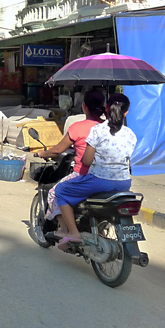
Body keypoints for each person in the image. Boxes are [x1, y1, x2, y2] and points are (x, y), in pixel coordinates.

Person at [54, 93, 137, 250]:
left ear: (106, 108)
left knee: (60, 190)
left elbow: (86, 161)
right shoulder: (131, 134)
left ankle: (72, 232)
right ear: (126, 112)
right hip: (124, 183)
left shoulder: (97, 130)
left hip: (99, 181)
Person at [34, 89, 105, 237]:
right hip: (108, 176)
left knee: (55, 192)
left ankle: (66, 230)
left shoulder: (77, 127)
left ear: (84, 106)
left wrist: (42, 153)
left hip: (83, 175)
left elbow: (57, 150)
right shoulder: (110, 127)